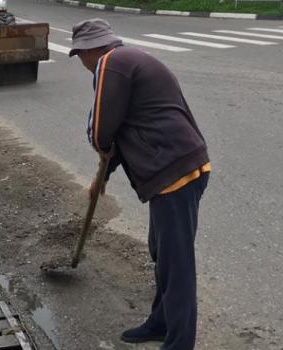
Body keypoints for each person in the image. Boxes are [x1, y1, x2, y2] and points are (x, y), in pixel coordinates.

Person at [69, 18, 211, 350]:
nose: (82, 64)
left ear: (89, 50)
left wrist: (101, 151)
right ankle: (161, 323)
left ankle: (179, 344)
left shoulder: (111, 63)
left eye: (79, 56)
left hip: (174, 171)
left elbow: (101, 130)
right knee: (161, 252)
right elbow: (122, 130)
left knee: (176, 265)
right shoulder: (129, 60)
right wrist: (101, 177)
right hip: (176, 168)